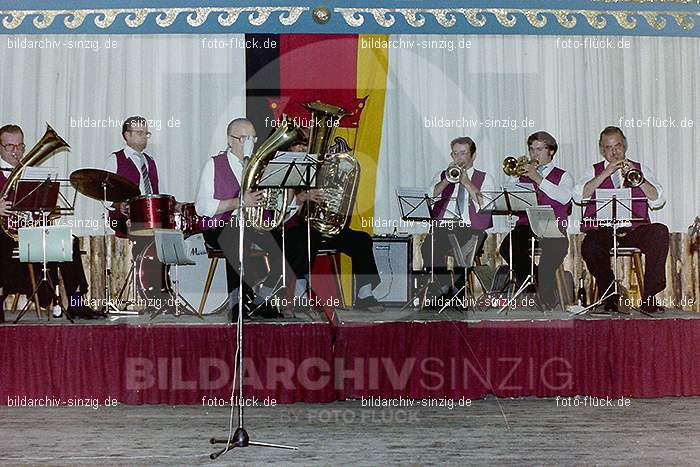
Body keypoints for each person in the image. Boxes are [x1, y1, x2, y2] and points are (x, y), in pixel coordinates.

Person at [282, 130, 383, 312]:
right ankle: (300, 294)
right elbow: (281, 210)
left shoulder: (318, 167)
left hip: (321, 226)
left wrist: (335, 193)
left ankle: (364, 294)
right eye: (297, 145)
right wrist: (303, 197)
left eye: (304, 145)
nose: (301, 149)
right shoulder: (283, 168)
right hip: (294, 229)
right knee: (306, 238)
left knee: (362, 239)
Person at [0, 124, 93, 322]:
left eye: (20, 146)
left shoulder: (32, 174)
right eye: (9, 146)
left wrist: (45, 208)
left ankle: (77, 303)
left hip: (29, 234)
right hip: (6, 237)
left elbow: (46, 208)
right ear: (0, 147)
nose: (16, 151)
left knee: (70, 241)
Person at [194, 117, 284, 319]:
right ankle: (238, 303)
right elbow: (202, 207)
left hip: (253, 224)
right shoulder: (214, 164)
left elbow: (273, 204)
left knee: (288, 244)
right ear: (230, 140)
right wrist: (240, 202)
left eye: (253, 138)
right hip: (219, 226)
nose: (250, 143)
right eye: (244, 138)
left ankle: (262, 299)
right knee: (237, 235)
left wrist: (274, 202)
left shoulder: (261, 168)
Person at [575, 126, 668, 313]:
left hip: (633, 229)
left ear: (624, 145)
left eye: (618, 146)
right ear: (602, 149)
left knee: (660, 232)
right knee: (590, 246)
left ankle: (649, 296)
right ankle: (610, 293)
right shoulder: (593, 170)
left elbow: (658, 199)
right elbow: (578, 196)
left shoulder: (640, 169)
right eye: (608, 148)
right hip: (604, 229)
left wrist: (639, 178)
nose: (614, 152)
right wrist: (605, 173)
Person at [498, 131, 572, 309]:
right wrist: (514, 177)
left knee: (552, 253)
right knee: (507, 247)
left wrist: (538, 178)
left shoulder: (563, 176)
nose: (534, 154)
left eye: (539, 149)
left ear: (551, 151)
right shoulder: (522, 174)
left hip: (552, 225)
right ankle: (534, 288)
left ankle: (543, 294)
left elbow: (565, 198)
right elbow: (508, 199)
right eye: (532, 149)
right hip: (525, 225)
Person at [426, 136, 495, 302]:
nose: (459, 158)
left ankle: (458, 292)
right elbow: (429, 197)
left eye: (463, 153)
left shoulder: (485, 178)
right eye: (455, 154)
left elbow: (487, 206)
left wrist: (467, 182)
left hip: (471, 228)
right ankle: (444, 288)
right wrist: (446, 181)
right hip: (444, 227)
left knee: (462, 251)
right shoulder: (443, 175)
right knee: (428, 248)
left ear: (473, 155)